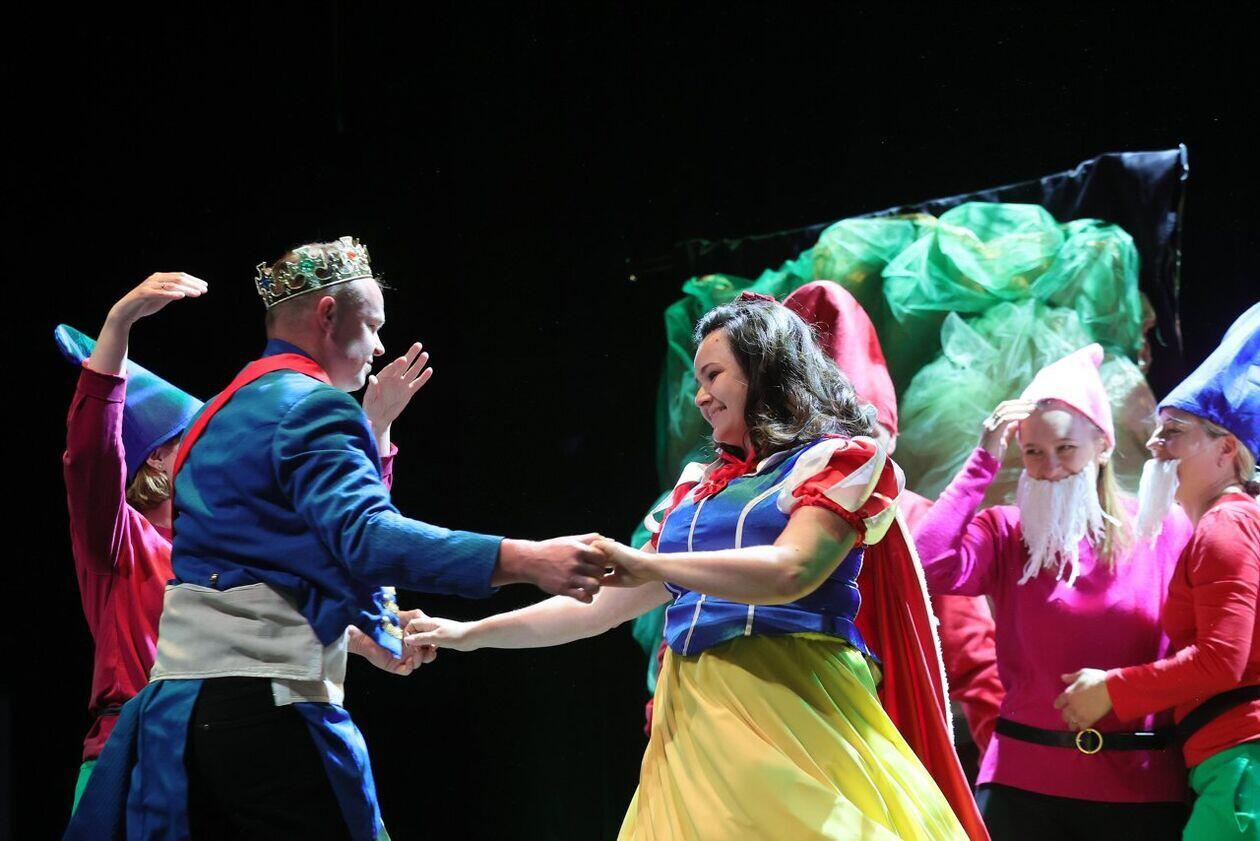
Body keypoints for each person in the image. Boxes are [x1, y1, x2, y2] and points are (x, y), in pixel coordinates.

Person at [66, 237, 606, 841]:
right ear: (328, 316)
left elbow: (308, 551)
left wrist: (371, 628)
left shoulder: (220, 412)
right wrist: (527, 557)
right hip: (266, 706)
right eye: (372, 325)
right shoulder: (310, 406)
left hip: (180, 723)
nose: (379, 345)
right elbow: (364, 535)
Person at [407, 293, 985, 840]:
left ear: (763, 372)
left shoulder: (836, 463)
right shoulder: (695, 493)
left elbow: (792, 570)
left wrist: (649, 564)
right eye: (698, 380)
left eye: (714, 376)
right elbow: (597, 609)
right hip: (694, 719)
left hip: (793, 700)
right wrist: (467, 633)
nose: (700, 397)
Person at [59, 272, 446, 815]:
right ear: (156, 460)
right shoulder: (123, 540)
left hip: (239, 747)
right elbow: (92, 460)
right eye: (191, 439)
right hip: (137, 756)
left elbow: (338, 543)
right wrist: (117, 326)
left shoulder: (236, 544)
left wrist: (375, 428)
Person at [913, 343, 1193, 840]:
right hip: (1021, 785)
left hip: (1141, 786)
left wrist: (1122, 689)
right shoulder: (1006, 532)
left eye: (1066, 449)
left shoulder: (1162, 528)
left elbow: (1203, 648)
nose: (1050, 467)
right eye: (1033, 453)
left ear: (1102, 446)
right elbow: (927, 564)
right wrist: (982, 461)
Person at [1058, 303, 1260, 841]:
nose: (1153, 445)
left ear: (1226, 448)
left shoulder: (1227, 525)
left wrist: (1113, 689)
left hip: (1244, 764)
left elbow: (1221, 660)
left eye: (1173, 432)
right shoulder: (1225, 524)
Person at [784, 280, 1004, 761]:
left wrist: (1004, 777)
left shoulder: (917, 522)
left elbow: (975, 661)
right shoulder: (755, 515)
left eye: (867, 441)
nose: (854, 461)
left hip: (890, 754)